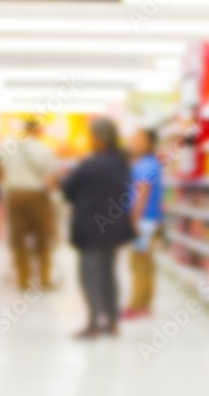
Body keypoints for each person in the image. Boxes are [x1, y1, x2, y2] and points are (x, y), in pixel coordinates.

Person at [61, 118, 136, 339]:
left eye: (92, 137)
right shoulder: (121, 163)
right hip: (113, 228)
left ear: (101, 139)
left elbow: (67, 189)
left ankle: (93, 324)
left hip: (91, 229)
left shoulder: (90, 164)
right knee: (108, 275)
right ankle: (111, 322)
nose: (90, 141)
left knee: (89, 276)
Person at [4, 118, 57, 291]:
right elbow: (50, 180)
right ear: (38, 130)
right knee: (43, 238)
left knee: (18, 239)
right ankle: (44, 279)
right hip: (36, 196)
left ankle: (23, 279)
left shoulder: (8, 146)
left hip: (14, 195)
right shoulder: (44, 149)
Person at [121, 128, 164, 320]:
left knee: (138, 263)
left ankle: (135, 305)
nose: (133, 141)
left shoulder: (145, 164)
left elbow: (142, 191)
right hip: (149, 219)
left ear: (149, 143)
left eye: (138, 138)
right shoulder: (150, 163)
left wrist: (134, 219)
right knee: (145, 263)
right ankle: (144, 304)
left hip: (143, 220)